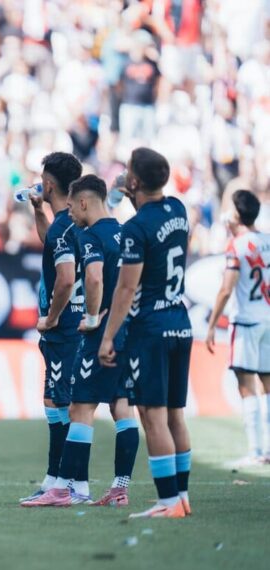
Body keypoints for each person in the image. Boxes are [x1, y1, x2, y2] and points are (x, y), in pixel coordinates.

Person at [22, 175, 139, 507]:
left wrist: (91, 317)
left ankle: (66, 489)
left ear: (84, 202)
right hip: (127, 331)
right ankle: (120, 488)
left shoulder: (90, 236)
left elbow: (93, 276)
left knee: (80, 408)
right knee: (121, 407)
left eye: (72, 207)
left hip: (100, 334)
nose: (69, 213)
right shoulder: (125, 232)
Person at [99, 147, 192, 519]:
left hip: (149, 328)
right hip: (180, 322)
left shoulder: (136, 228)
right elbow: (154, 222)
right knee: (175, 416)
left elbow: (125, 289)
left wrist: (108, 336)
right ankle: (181, 498)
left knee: (152, 416)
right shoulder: (180, 210)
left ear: (134, 181)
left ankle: (168, 502)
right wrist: (132, 189)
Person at [20, 152, 84, 503]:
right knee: (56, 399)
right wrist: (36, 210)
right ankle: (55, 477)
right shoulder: (70, 221)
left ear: (48, 184)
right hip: (75, 322)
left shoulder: (65, 224)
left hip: (65, 325)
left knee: (63, 401)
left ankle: (67, 481)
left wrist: (53, 317)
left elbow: (65, 280)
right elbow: (52, 243)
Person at [206, 189, 270, 466]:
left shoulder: (237, 246)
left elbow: (225, 290)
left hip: (245, 321)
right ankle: (267, 450)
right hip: (268, 318)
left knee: (246, 386)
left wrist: (210, 326)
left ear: (236, 214)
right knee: (268, 385)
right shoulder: (267, 241)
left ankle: (256, 451)